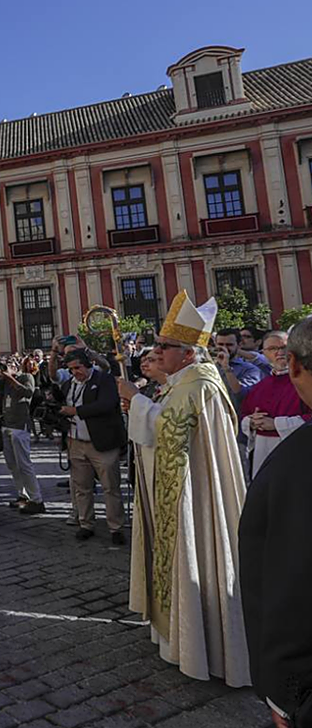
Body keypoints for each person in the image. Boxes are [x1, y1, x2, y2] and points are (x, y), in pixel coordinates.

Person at [119, 290, 250, 687]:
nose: (156, 351)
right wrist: (144, 401)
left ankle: (203, 639)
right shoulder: (183, 381)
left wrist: (138, 401)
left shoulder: (200, 386)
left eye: (164, 346)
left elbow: (173, 434)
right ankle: (178, 632)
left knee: (197, 552)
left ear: (190, 352)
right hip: (177, 491)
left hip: (194, 499)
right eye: (156, 344)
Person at [240, 316, 312, 728]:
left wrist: (283, 692)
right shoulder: (262, 386)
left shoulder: (297, 463)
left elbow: (286, 579)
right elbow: (245, 413)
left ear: (297, 365)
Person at [59, 349, 126, 543]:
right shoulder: (68, 384)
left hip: (102, 442)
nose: (75, 372)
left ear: (88, 364)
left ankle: (116, 527)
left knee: (110, 487)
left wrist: (75, 411)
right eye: (71, 369)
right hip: (75, 441)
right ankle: (86, 523)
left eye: (78, 367)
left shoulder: (103, 380)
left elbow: (106, 404)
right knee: (82, 487)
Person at [240, 331, 311, 481]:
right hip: (262, 452)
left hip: (298, 451)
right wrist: (251, 422)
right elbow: (244, 414)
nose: (279, 353)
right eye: (272, 349)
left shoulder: (305, 381)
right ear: (263, 353)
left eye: (284, 347)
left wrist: (276, 424)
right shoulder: (260, 386)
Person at [0, 360, 45, 515]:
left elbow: (29, 392)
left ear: (15, 367)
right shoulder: (4, 382)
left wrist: (11, 378)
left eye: (8, 365)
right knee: (12, 464)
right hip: (6, 425)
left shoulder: (26, 377)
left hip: (20, 426)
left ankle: (36, 499)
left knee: (24, 464)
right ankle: (23, 495)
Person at [216, 329, 264, 401]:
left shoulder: (251, 370)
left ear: (239, 345)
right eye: (220, 344)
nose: (224, 348)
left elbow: (241, 394)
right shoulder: (210, 365)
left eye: (229, 345)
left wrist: (226, 368)